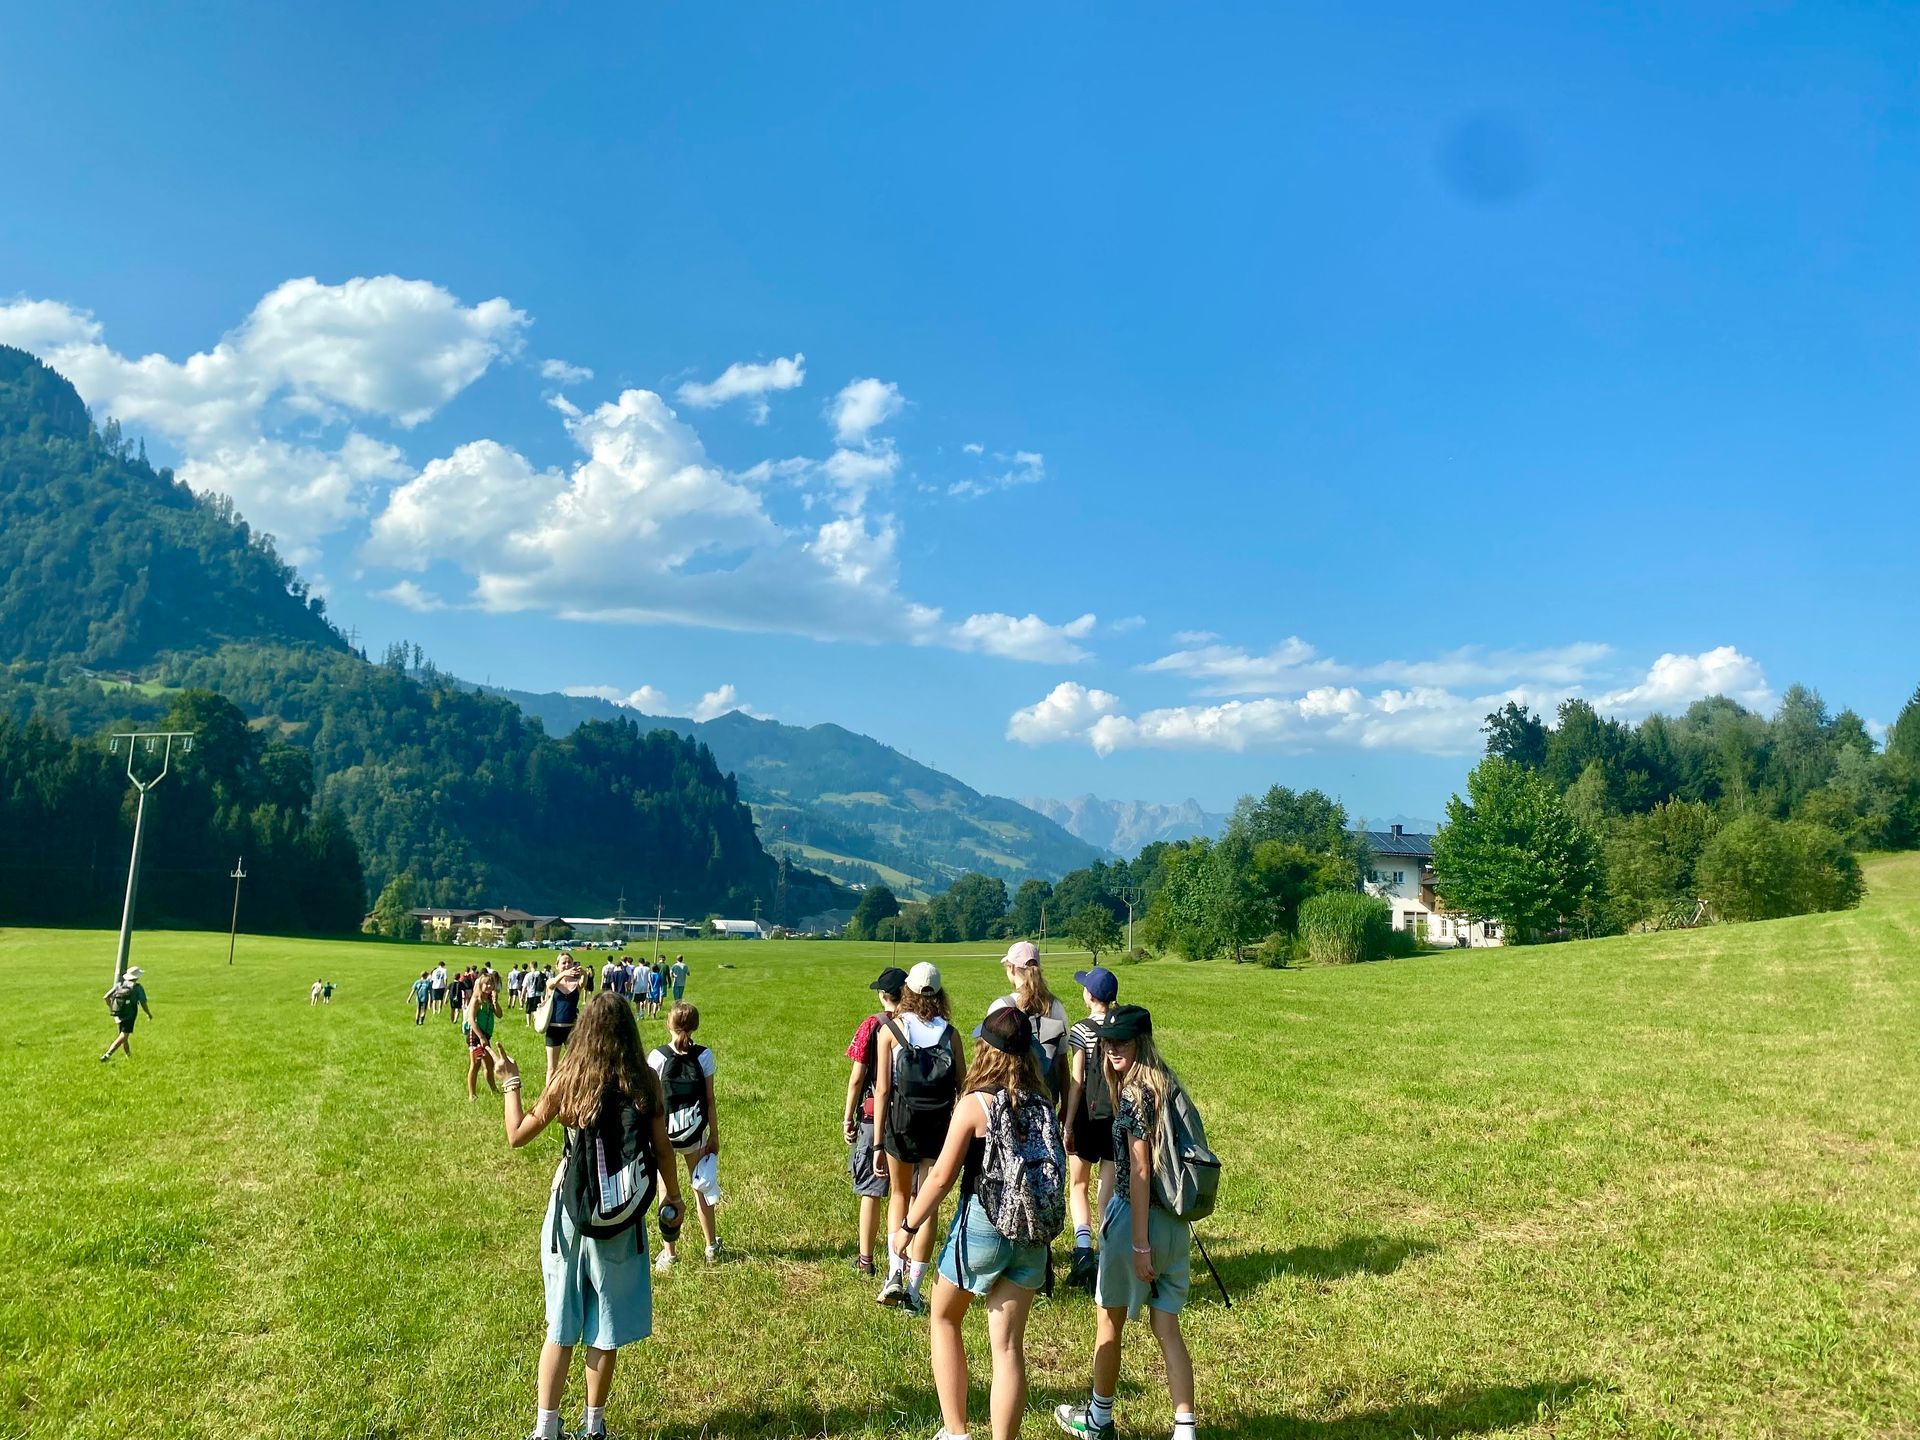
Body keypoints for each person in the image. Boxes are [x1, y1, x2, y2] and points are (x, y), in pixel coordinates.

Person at [499, 991, 684, 1440]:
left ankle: (546, 1429)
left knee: (561, 1325)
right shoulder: (646, 1080)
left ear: (585, 1031)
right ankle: (594, 1426)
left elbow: (517, 1135)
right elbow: (662, 1150)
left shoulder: (571, 1078)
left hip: (571, 1212)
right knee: (606, 1327)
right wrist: (672, 1199)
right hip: (621, 1217)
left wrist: (511, 1082)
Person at [895, 1007, 1061, 1440]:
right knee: (1007, 1348)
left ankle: (956, 1432)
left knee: (944, 1317)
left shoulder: (975, 1104)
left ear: (987, 1049)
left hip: (984, 1225)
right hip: (1032, 1234)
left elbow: (941, 1177)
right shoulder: (1043, 1104)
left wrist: (909, 1227)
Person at [1054, 1005, 1199, 1440]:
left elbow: (1137, 1172)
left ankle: (1098, 1418)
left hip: (1139, 1224)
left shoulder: (1136, 1094)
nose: (1112, 1050)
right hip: (1177, 1224)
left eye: (1122, 1042)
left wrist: (1138, 1244)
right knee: (1166, 1326)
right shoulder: (1169, 1083)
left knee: (1108, 1321)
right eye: (1108, 1043)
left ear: (1142, 1043)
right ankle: (1185, 1428)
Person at [873, 961, 965, 1316]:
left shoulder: (891, 1031)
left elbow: (882, 1089)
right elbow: (962, 1085)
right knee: (927, 1204)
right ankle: (914, 1289)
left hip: (901, 1123)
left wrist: (879, 1142)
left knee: (899, 1194)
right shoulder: (950, 1034)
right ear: (940, 994)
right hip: (939, 1126)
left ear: (907, 991)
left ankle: (894, 1273)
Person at [648, 1002, 722, 1269]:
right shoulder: (704, 1056)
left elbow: (652, 1103)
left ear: (669, 1024)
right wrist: (714, 1134)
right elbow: (710, 1099)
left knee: (667, 1191)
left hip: (665, 1136)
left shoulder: (656, 1057)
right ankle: (711, 1246)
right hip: (694, 1133)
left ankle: (669, 1252)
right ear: (695, 1026)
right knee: (701, 1187)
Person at [843, 967, 906, 1277]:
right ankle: (904, 1261)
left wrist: (846, 1118)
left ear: (884, 996)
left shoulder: (872, 1025)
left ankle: (866, 1259)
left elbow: (857, 1079)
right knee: (906, 1191)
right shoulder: (921, 1025)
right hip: (912, 1118)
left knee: (872, 1188)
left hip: (873, 1117)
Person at [1062, 966, 1120, 1289]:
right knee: (1107, 1191)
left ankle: (1082, 1250)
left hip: (1086, 1117)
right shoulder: (1121, 1028)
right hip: (1114, 1117)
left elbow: (1077, 1082)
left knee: (1078, 1184)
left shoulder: (1080, 1031)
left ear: (1090, 996)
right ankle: (1105, 1250)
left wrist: (1068, 1123)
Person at [544, 955, 589, 1083]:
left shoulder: (576, 984)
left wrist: (583, 972)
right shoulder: (552, 982)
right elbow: (551, 984)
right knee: (552, 1068)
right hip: (554, 1028)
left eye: (570, 962)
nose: (567, 964)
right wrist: (563, 974)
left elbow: (584, 982)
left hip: (572, 1029)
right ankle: (549, 1096)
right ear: (557, 965)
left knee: (575, 1064)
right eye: (563, 962)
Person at [465, 971, 504, 1099]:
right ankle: (472, 1095)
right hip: (476, 1036)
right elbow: (471, 1020)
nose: (489, 986)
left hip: (486, 1036)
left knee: (489, 1065)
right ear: (480, 985)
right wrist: (481, 1037)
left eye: (491, 984)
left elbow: (499, 1014)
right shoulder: (477, 1000)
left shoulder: (489, 1000)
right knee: (475, 1065)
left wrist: (495, 1002)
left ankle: (494, 1090)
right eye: (486, 984)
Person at [100, 967, 152, 1062]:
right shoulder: (137, 988)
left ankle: (129, 1056)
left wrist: (112, 1008)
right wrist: (148, 1013)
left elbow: (106, 997)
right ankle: (108, 1054)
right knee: (123, 1035)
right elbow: (143, 1003)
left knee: (123, 1035)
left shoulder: (119, 985)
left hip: (118, 1013)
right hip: (130, 1014)